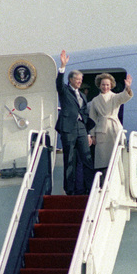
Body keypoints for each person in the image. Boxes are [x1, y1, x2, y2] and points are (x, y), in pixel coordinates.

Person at [55, 50, 94, 196]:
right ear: (71, 80)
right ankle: (70, 190)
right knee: (69, 158)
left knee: (87, 157)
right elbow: (58, 83)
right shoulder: (64, 90)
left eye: (80, 80)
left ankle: (90, 188)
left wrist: (88, 132)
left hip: (81, 128)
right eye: (77, 79)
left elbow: (84, 112)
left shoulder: (82, 95)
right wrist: (62, 67)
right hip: (68, 128)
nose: (79, 82)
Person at [88, 73, 133, 171]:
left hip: (114, 128)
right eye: (103, 84)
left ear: (111, 85)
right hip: (101, 130)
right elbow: (92, 119)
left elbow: (124, 97)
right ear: (99, 85)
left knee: (116, 156)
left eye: (107, 85)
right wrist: (93, 135)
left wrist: (128, 87)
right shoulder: (95, 100)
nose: (105, 87)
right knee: (103, 159)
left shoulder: (114, 97)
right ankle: (103, 179)